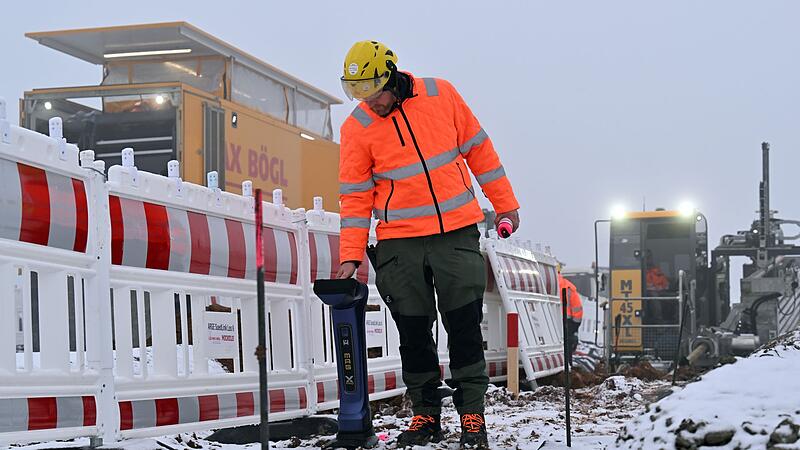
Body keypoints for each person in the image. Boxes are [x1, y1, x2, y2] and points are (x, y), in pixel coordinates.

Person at [336, 40, 520, 449]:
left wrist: (505, 206)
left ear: (391, 75)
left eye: (374, 91)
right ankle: (425, 416)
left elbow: (480, 153)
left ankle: (473, 416)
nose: (370, 103)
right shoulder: (357, 128)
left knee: (464, 328)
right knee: (414, 333)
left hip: (455, 235)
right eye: (358, 94)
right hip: (398, 246)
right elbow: (354, 198)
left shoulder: (441, 94)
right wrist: (350, 255)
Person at [558, 269, 583, 363]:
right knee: (567, 348)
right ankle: (567, 368)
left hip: (548, 322)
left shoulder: (542, 284)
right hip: (567, 322)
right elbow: (577, 310)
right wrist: (574, 328)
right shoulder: (568, 287)